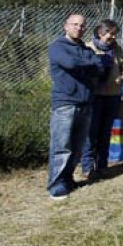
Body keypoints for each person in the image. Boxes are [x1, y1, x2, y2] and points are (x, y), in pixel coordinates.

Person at [46, 14, 105, 200]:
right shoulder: (57, 46)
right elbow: (70, 63)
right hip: (66, 103)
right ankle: (56, 184)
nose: (79, 28)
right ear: (66, 26)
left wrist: (91, 63)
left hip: (86, 102)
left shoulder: (84, 48)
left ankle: (68, 179)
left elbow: (101, 67)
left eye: (82, 26)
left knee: (77, 146)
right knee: (61, 146)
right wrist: (91, 62)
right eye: (75, 24)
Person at [81, 18, 123, 180]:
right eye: (110, 33)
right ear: (100, 33)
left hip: (113, 95)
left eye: (115, 34)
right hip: (94, 96)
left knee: (105, 132)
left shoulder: (117, 49)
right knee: (91, 132)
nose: (113, 37)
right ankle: (88, 167)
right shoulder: (89, 48)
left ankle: (102, 166)